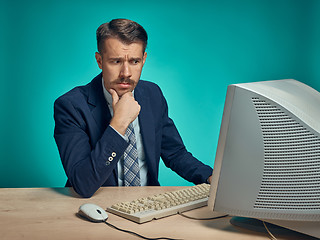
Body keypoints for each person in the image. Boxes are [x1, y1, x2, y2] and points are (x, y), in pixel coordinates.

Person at [54, 18, 213, 198]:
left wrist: (210, 177)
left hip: (147, 205)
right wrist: (118, 123)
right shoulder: (71, 106)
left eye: (135, 61)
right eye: (116, 61)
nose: (126, 73)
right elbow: (83, 184)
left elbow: (175, 153)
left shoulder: (152, 94)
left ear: (144, 59)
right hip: (98, 206)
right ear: (99, 60)